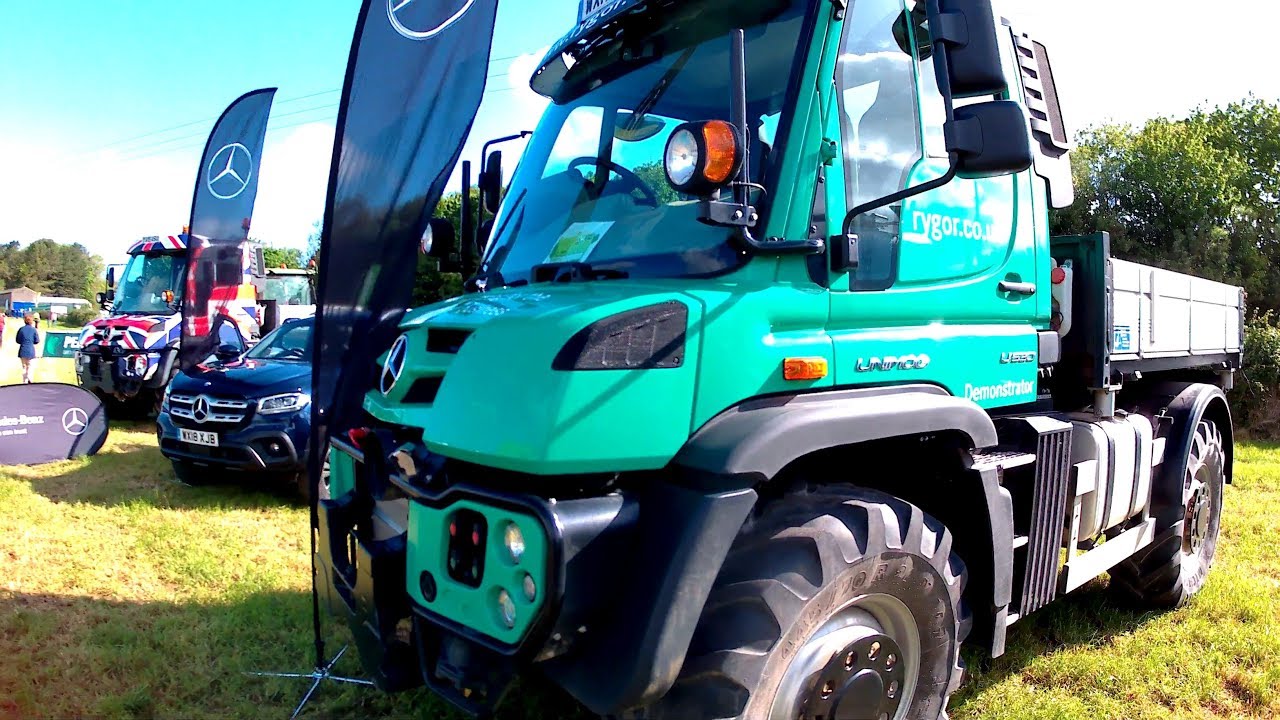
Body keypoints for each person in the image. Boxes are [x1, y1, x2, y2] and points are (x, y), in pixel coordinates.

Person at [16, 314, 39, 384]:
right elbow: (37, 341)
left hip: (22, 350)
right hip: (31, 350)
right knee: (30, 366)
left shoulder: (21, 329)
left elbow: (17, 340)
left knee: (24, 366)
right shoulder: (34, 330)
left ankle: (24, 381)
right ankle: (30, 379)